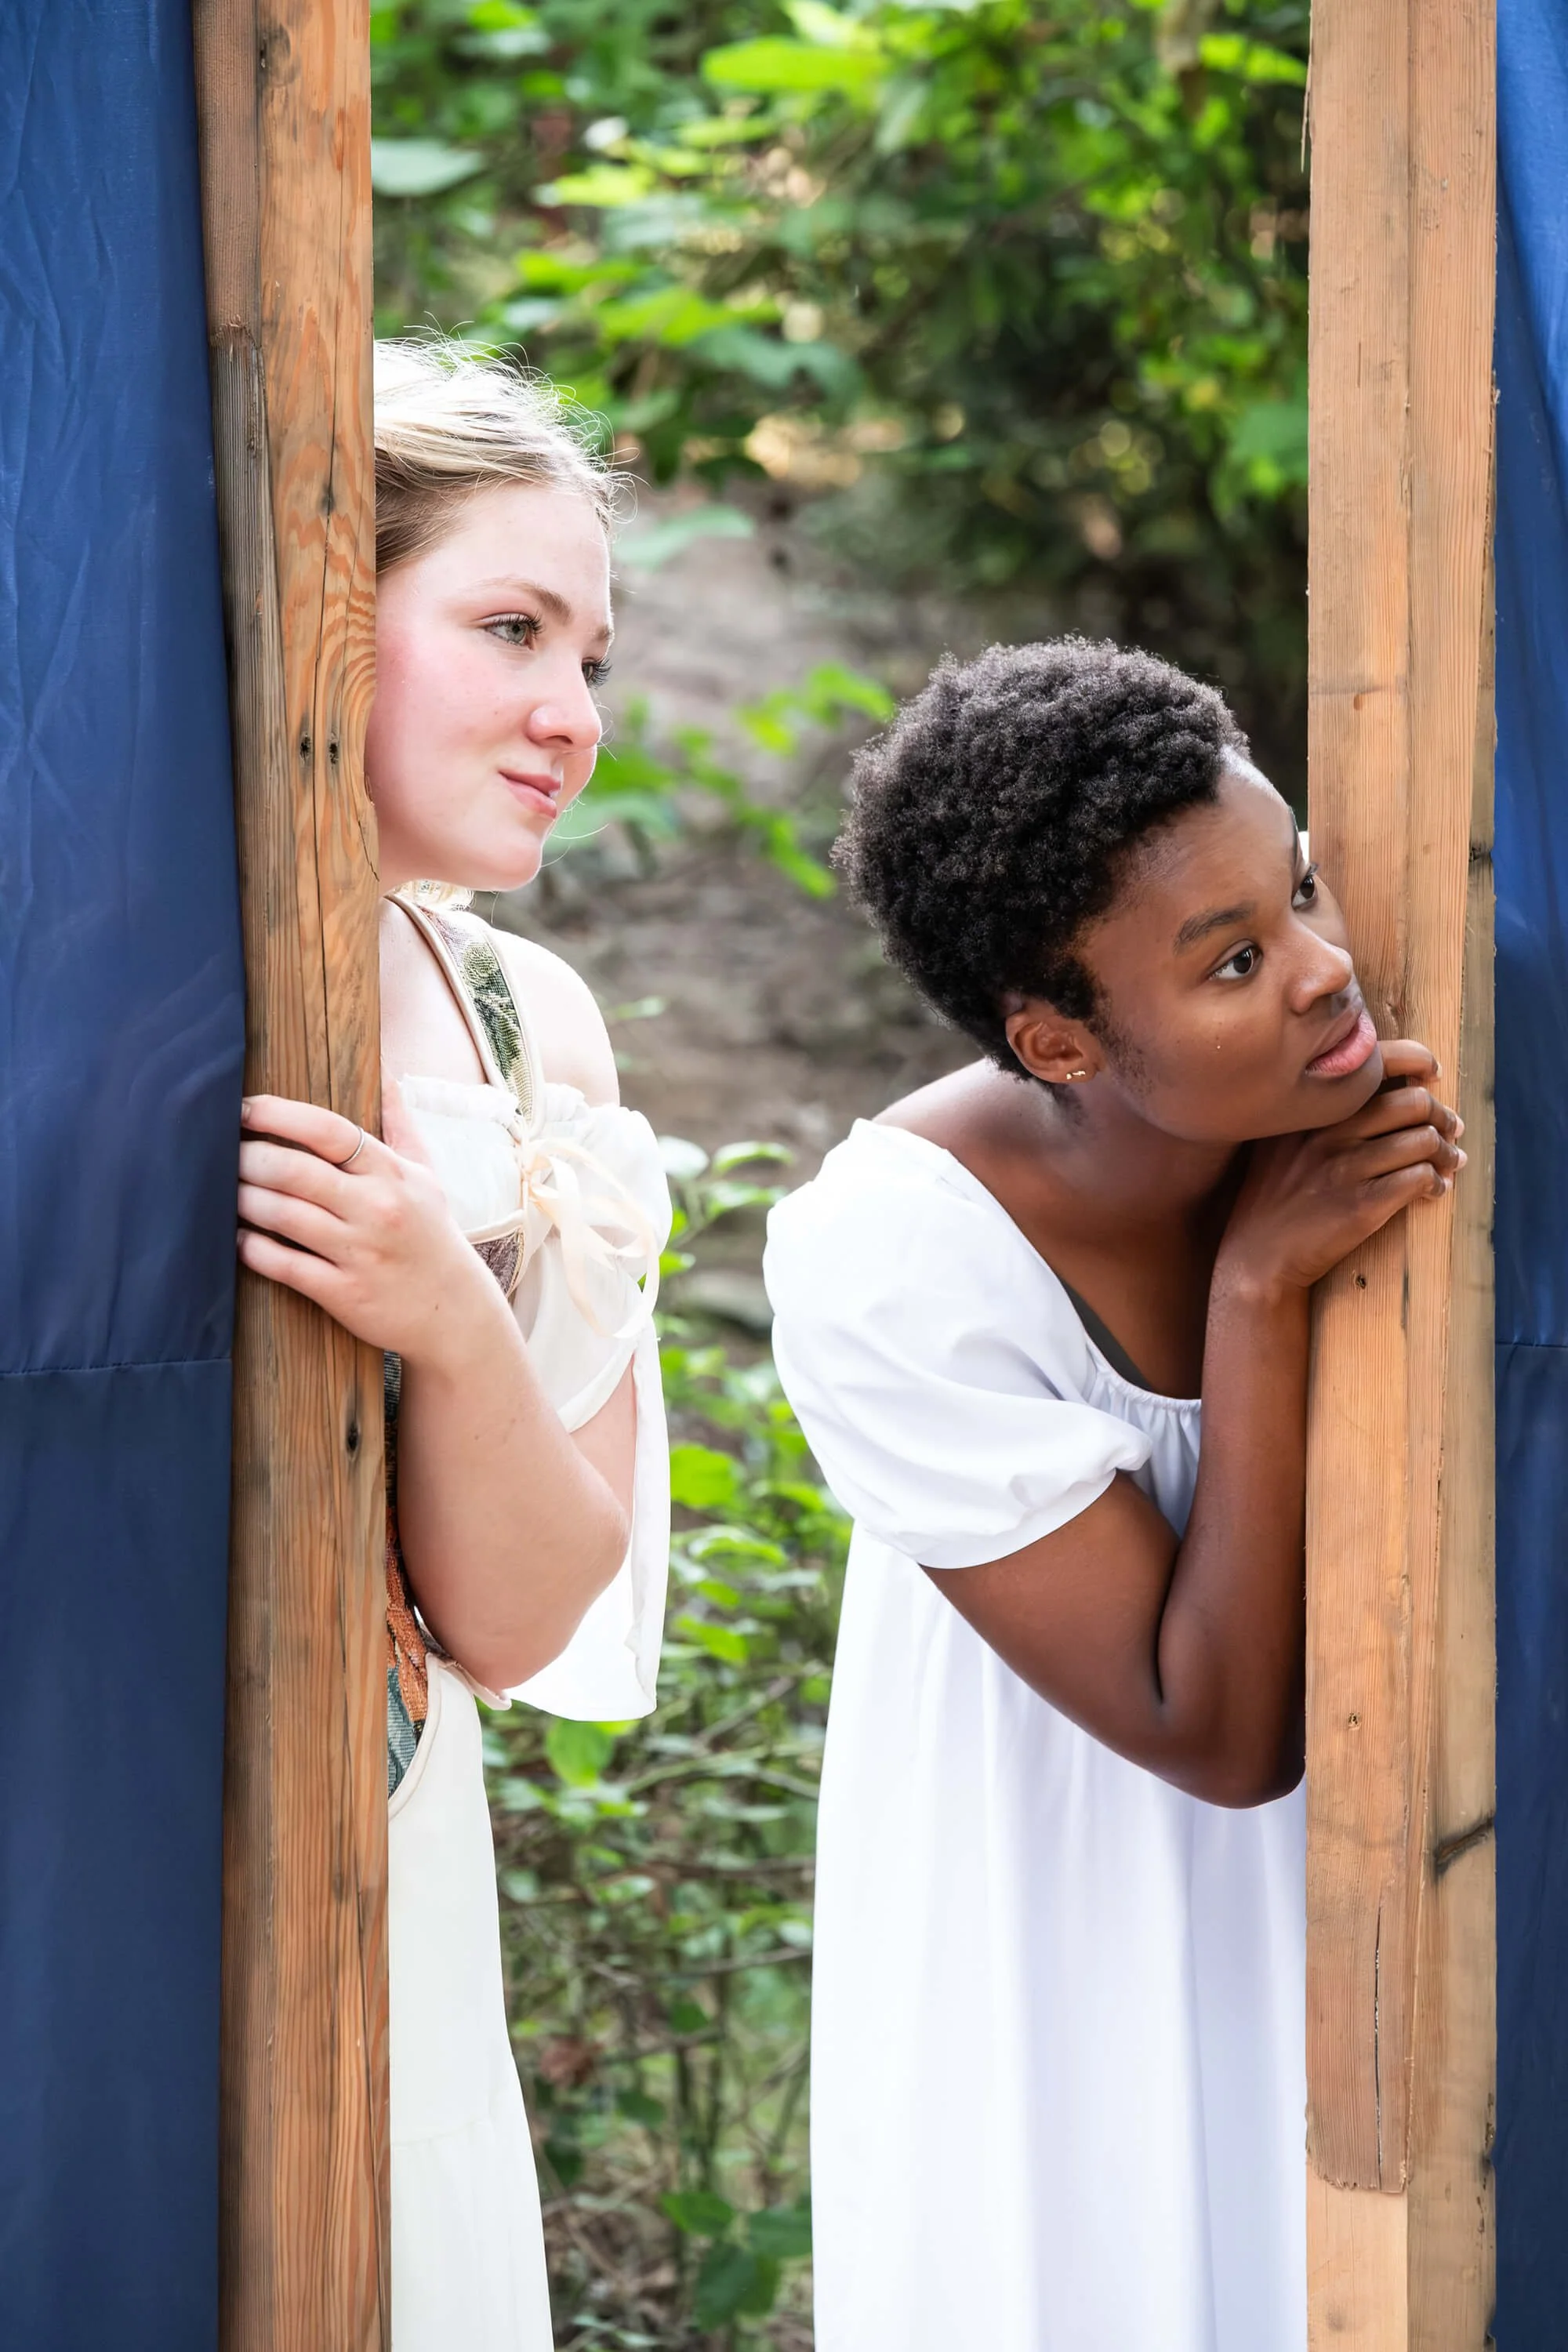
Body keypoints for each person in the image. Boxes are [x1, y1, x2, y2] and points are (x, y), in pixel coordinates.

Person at [761, 641, 1465, 2352]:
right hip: (1060, 1950)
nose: (1322, 972)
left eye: (1294, 889)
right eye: (1234, 961)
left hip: (1356, 1910)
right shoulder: (892, 1258)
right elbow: (1212, 1731)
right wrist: (1255, 1298)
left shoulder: (1346, 1103)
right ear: (1058, 1040)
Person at [234, 341, 672, 2347]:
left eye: (588, 653)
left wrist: (442, 1318)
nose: (568, 715)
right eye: (507, 627)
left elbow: (525, 1607)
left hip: (384, 1844)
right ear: (330, 600)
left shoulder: (525, 1026)